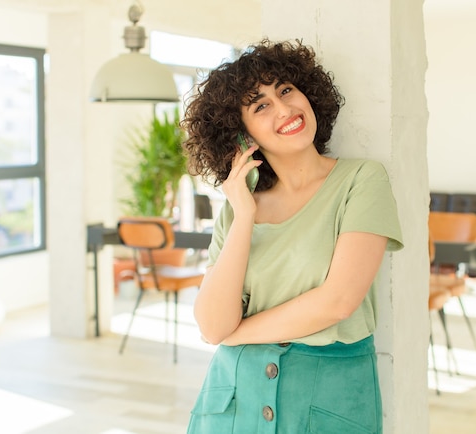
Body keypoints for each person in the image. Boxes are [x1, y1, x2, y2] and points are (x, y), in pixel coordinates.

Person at [180, 38, 403, 434]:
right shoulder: (238, 209)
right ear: (241, 136)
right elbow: (213, 323)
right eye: (260, 105)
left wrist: (235, 335)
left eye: (286, 90)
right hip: (233, 400)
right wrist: (245, 214)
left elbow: (337, 302)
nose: (284, 108)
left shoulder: (362, 180)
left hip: (327, 397)